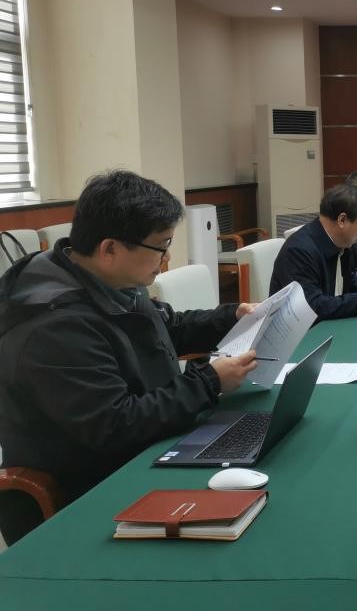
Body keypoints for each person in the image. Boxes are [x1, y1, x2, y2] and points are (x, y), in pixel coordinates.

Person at [0, 170, 258, 522]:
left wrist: (232, 317)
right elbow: (115, 426)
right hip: (91, 490)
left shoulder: (107, 279)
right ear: (110, 249)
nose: (167, 257)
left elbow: (165, 329)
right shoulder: (53, 327)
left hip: (151, 443)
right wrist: (209, 381)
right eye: (162, 245)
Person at [269, 184, 357, 320]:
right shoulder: (299, 251)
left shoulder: (340, 242)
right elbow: (313, 307)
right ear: (342, 220)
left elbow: (344, 283)